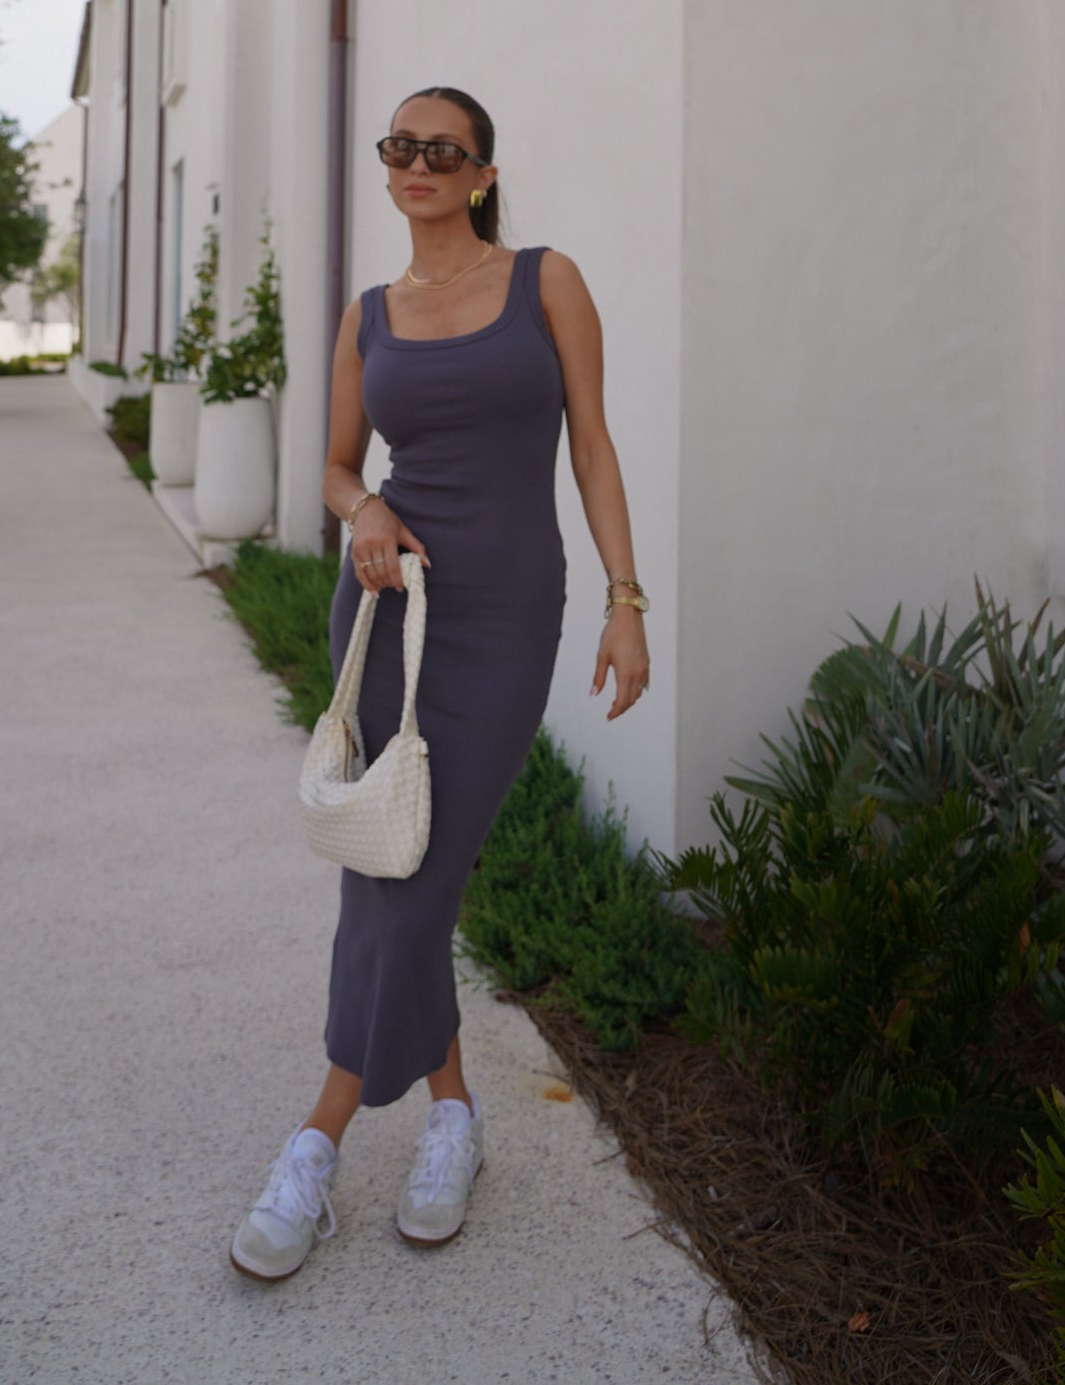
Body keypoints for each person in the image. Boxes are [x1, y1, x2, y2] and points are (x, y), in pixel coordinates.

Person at [230, 86, 651, 1281]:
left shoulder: (545, 281)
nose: (416, 162)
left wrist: (627, 599)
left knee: (417, 874)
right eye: (398, 146)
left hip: (507, 610)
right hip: (386, 608)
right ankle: (454, 1118)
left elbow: (593, 442)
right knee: (387, 861)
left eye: (441, 148)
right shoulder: (369, 313)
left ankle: (314, 1142)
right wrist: (361, 504)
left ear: (479, 172)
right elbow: (329, 463)